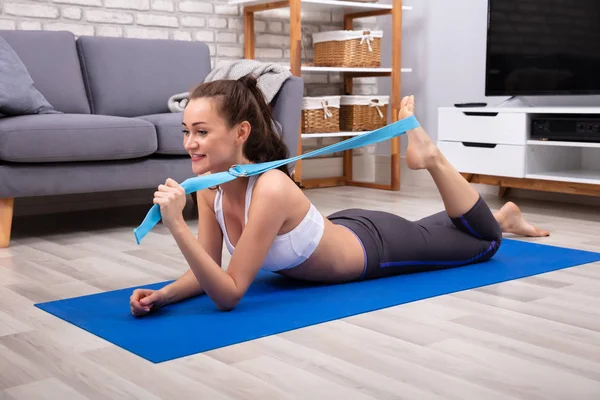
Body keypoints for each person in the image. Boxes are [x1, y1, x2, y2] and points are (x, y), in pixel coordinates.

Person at [129, 74, 549, 316]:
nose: (190, 143)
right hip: (345, 229)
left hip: (375, 249)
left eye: (202, 132)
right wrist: (164, 294)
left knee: (484, 243)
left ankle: (432, 158)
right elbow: (209, 271)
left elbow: (230, 292)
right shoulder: (211, 189)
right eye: (186, 131)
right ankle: (506, 215)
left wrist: (175, 225)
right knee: (443, 230)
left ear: (241, 133)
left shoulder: (270, 188)